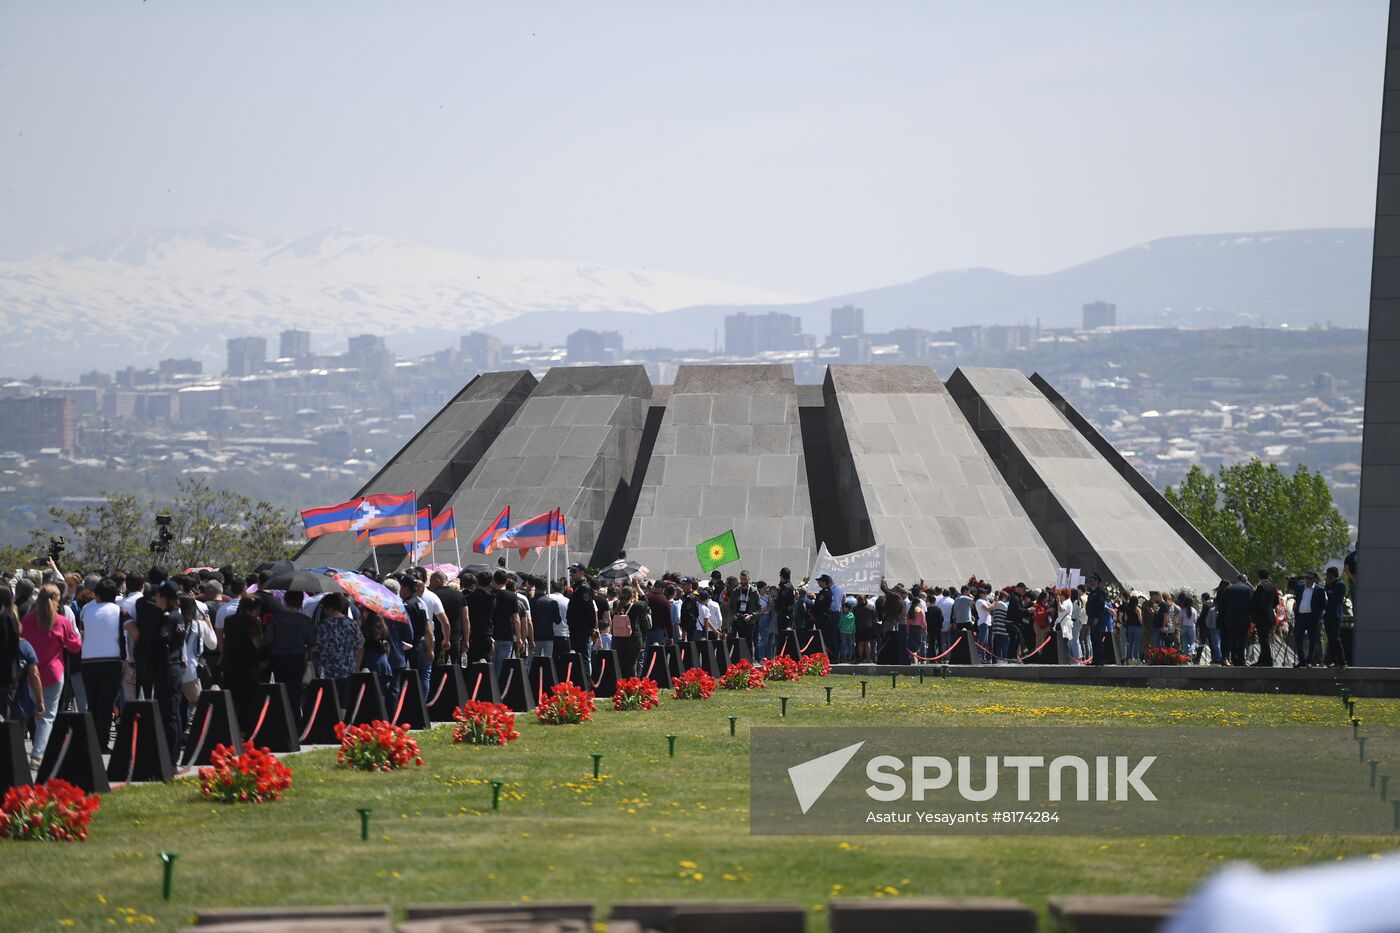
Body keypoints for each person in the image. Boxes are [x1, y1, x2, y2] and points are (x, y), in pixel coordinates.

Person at [20, 584, 81, 768]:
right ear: (57, 600)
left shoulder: (28, 620)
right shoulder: (62, 621)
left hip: (31, 673)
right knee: (47, 716)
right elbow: (75, 646)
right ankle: (38, 755)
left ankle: (33, 750)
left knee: (33, 713)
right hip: (54, 673)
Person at [142, 581, 189, 762]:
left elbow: (162, 645)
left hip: (166, 669)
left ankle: (170, 756)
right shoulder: (179, 616)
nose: (155, 598)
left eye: (158, 595)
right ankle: (172, 754)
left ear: (165, 598)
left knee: (169, 714)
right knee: (173, 713)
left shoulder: (168, 618)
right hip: (175, 668)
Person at [78, 578, 124, 754]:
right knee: (106, 705)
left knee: (93, 702)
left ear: (96, 594)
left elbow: (83, 633)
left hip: (88, 660)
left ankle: (90, 740)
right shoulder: (118, 610)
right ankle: (102, 742)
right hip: (111, 659)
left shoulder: (86, 609)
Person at [313, 592, 364, 704]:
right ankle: (341, 721)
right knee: (343, 702)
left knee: (328, 701)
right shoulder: (352, 624)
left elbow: (316, 648)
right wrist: (357, 667)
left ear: (330, 608)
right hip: (348, 669)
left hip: (327, 671)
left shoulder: (323, 625)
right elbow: (360, 646)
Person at [266, 591, 315, 689]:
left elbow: (268, 639)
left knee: (280, 687)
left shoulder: (276, 618)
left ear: (285, 601)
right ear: (301, 601)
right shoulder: (306, 620)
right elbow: (312, 642)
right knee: (296, 688)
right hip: (298, 658)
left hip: (278, 657)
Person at [430, 572, 466, 668]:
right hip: (456, 637)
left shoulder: (434, 596)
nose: (430, 585)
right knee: (456, 667)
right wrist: (466, 639)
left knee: (438, 669)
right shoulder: (459, 595)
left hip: (438, 637)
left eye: (431, 582)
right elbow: (465, 619)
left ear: (438, 581)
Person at [1292, 571, 1327, 668]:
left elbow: (1323, 604)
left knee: (1313, 639)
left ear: (1314, 579)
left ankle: (1310, 660)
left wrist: (1317, 616)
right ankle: (1302, 659)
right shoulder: (1300, 588)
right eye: (1306, 578)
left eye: (1310, 578)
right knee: (1298, 638)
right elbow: (1298, 600)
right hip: (1301, 617)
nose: (1307, 580)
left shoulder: (1319, 589)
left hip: (1312, 618)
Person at [490, 570, 521, 675]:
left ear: (494, 581)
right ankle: (500, 688)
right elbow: (516, 618)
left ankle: (493, 686)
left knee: (493, 664)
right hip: (507, 634)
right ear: (507, 581)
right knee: (503, 665)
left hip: (492, 634)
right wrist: (519, 637)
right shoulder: (512, 596)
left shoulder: (490, 595)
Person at [463, 573, 496, 666]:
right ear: (490, 584)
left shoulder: (468, 598)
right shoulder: (491, 599)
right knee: (486, 663)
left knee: (471, 662)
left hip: (473, 634)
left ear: (477, 582)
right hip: (486, 634)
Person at [1250, 570, 1280, 667]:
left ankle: (1267, 660)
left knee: (1263, 639)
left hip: (1263, 617)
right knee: (1264, 638)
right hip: (1270, 615)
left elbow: (1259, 603)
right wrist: (1270, 607)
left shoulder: (1261, 587)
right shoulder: (1272, 586)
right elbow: (1276, 601)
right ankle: (1262, 659)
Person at [1323, 567, 1348, 668]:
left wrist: (1328, 588)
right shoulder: (1328, 585)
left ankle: (1342, 662)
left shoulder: (1340, 584)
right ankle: (1333, 660)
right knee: (1330, 639)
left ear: (1332, 575)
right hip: (1328, 614)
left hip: (1335, 615)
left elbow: (1334, 596)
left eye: (1329, 575)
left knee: (1336, 638)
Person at [837, 597, 856, 663]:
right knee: (850, 645)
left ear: (847, 608)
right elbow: (854, 624)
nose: (843, 608)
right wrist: (854, 631)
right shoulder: (853, 615)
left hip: (843, 631)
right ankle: (849, 657)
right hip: (850, 632)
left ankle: (843, 657)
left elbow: (840, 623)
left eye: (844, 607)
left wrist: (838, 628)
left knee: (843, 645)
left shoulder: (843, 616)